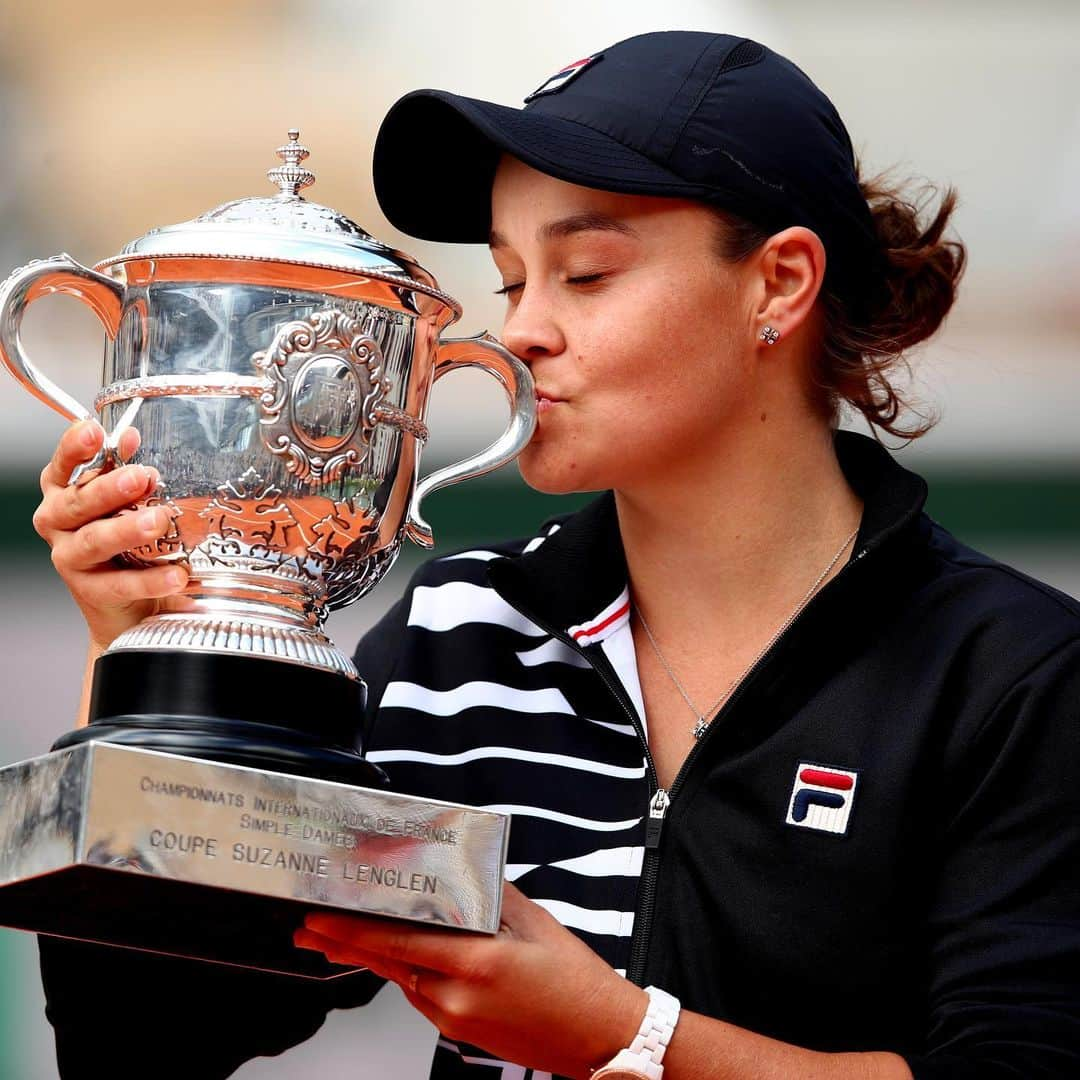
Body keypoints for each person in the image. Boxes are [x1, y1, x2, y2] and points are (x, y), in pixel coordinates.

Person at [32, 30, 1080, 1080]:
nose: (522, 333)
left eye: (584, 274)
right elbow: (142, 1042)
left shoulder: (1014, 677)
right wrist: (151, 661)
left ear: (780, 282)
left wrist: (626, 1039)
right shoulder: (461, 639)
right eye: (508, 281)